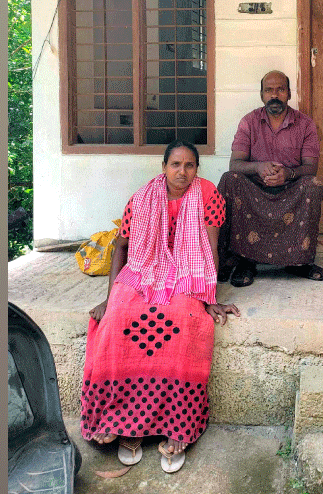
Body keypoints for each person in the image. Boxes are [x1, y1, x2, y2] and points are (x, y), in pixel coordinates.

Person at [81, 140, 240, 473]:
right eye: (175, 165)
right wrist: (110, 299)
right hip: (143, 270)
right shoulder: (140, 199)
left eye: (190, 166)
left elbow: (211, 248)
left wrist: (209, 296)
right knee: (118, 318)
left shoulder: (209, 194)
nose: (182, 172)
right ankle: (125, 421)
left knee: (186, 319)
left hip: (188, 272)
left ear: (197, 169)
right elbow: (121, 249)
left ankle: (176, 424)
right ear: (163, 166)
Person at [217, 70, 323, 287]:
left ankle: (299, 262)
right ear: (261, 95)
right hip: (255, 192)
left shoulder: (305, 124)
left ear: (288, 94)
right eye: (269, 90)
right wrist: (259, 167)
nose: (274, 95)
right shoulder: (248, 122)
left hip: (290, 191)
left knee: (313, 185)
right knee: (230, 179)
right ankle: (244, 261)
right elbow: (235, 164)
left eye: (280, 89)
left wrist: (289, 173)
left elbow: (311, 168)